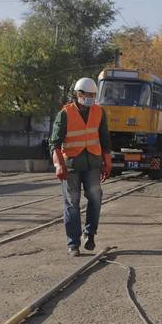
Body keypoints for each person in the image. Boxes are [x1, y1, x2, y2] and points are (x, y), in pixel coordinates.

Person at [50, 77, 113, 256]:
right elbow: (54, 143)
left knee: (95, 197)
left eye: (94, 95)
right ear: (78, 94)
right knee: (72, 203)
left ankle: (90, 234)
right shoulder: (64, 114)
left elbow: (105, 139)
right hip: (71, 165)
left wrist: (108, 162)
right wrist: (59, 165)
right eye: (88, 95)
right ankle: (73, 244)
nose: (91, 98)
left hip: (93, 162)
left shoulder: (99, 111)